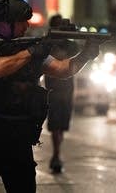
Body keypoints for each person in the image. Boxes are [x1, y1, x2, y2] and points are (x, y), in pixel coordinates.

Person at [0, 0, 100, 193]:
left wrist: (86, 54)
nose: (26, 26)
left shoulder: (26, 47)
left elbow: (62, 70)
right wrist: (33, 51)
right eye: (22, 21)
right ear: (5, 23)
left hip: (19, 136)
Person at [44, 14, 79, 174]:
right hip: (53, 90)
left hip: (66, 90)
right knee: (55, 126)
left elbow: (76, 55)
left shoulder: (70, 45)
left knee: (61, 126)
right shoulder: (48, 44)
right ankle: (56, 154)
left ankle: (57, 153)